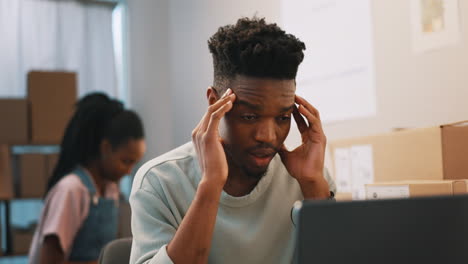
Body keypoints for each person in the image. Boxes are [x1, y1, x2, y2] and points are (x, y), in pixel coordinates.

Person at [129, 17, 336, 264]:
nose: (268, 136)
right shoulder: (158, 182)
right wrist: (211, 184)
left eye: (282, 117)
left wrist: (313, 185)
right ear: (214, 102)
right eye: (249, 116)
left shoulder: (309, 177)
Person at [28, 93, 146, 264]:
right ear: (105, 148)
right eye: (125, 161)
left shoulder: (110, 190)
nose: (129, 171)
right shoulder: (72, 190)